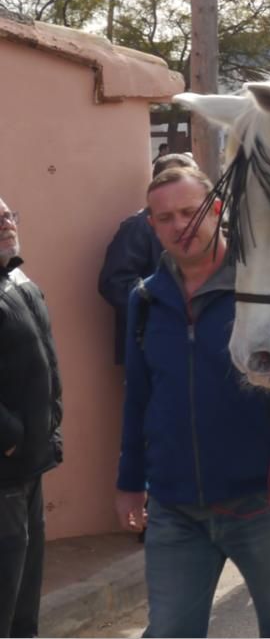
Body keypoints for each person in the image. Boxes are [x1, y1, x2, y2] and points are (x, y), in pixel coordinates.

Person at [114, 168, 270, 638]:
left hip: (265, 502)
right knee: (169, 632)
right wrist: (129, 482)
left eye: (190, 211)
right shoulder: (146, 300)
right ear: (152, 227)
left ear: (217, 210)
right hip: (175, 509)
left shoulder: (265, 289)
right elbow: (139, 398)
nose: (181, 225)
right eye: (165, 218)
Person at [0, 197, 64, 638]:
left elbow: (46, 364)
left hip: (33, 460)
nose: (6, 222)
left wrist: (49, 425)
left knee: (26, 588)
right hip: (5, 467)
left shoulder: (20, 279)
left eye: (7, 213)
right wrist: (10, 436)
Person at [98, 152, 196, 364]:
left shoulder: (203, 226)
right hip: (153, 347)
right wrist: (166, 307)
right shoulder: (138, 227)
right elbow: (114, 283)